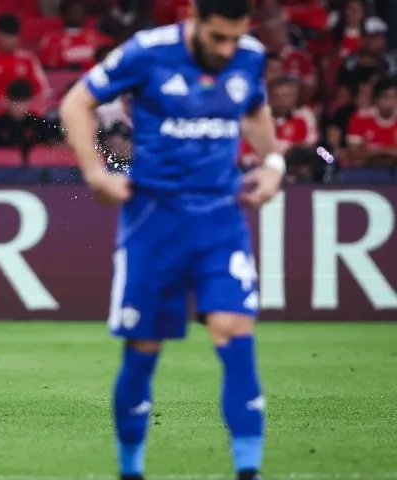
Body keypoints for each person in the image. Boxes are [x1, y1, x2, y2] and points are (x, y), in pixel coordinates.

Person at [58, 0, 285, 478]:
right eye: (218, 37)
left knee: (235, 332)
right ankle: (131, 468)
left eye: (235, 38)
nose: (227, 49)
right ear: (194, 19)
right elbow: (76, 102)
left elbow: (257, 113)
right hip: (154, 223)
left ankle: (249, 471)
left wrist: (273, 165)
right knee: (144, 351)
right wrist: (96, 173)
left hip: (221, 220)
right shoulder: (146, 51)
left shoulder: (249, 55)